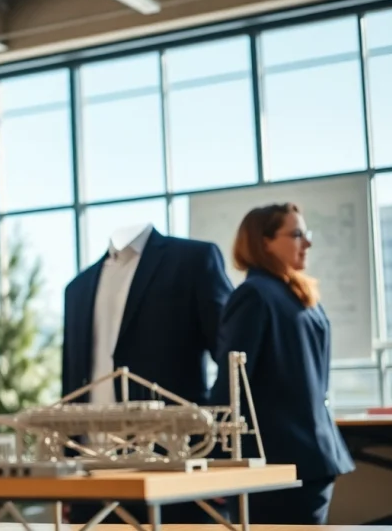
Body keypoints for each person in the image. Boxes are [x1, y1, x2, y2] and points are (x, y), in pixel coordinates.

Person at [62, 222, 234, 524]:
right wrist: (65, 465)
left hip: (175, 466)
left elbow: (232, 359)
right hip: (91, 472)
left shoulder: (193, 260)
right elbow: (71, 380)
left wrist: (218, 455)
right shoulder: (77, 287)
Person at [211, 202, 354, 525]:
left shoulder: (257, 294)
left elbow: (231, 383)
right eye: (297, 234)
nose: (308, 242)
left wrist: (215, 459)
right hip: (312, 456)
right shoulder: (297, 297)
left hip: (278, 462)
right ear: (264, 242)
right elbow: (239, 381)